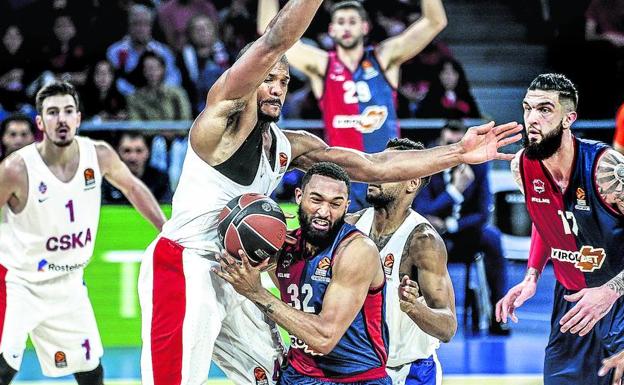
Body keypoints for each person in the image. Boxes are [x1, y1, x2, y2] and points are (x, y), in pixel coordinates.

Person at [137, 0, 522, 383]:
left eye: (285, 82)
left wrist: (458, 152)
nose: (276, 89)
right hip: (185, 265)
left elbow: (374, 166)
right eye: (268, 78)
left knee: (275, 375)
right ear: (248, 77)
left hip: (240, 273)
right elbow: (273, 40)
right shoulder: (219, 125)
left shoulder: (291, 145)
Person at [0, 81, 166, 384]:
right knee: (5, 366)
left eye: (67, 111)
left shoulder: (98, 154)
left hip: (70, 283)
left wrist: (166, 229)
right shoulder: (15, 169)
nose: (61, 119)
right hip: (22, 284)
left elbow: (132, 186)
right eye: (52, 113)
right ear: (40, 123)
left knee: (91, 370)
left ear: (78, 118)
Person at [495, 73, 624, 385]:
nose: (531, 119)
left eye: (544, 110)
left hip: (618, 300)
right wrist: (532, 276)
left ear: (569, 118)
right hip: (571, 303)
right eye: (527, 108)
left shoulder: (608, 171)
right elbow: (546, 220)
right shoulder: (523, 165)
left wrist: (609, 291)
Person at [258, 0, 448, 211]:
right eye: (340, 22)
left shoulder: (385, 57)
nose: (346, 27)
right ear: (331, 30)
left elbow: (435, 21)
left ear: (364, 27)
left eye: (352, 21)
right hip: (345, 177)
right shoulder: (322, 65)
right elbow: (271, 37)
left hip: (389, 173)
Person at [215, 162, 391, 384]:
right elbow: (295, 304)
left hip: (354, 378)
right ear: (299, 196)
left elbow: (324, 338)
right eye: (316, 200)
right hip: (297, 375)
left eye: (335, 204)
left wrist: (256, 292)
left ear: (346, 206)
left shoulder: (357, 250)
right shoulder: (283, 246)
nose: (324, 212)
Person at [350, 138, 457, 384]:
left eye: (388, 168)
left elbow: (448, 327)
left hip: (409, 372)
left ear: (412, 182)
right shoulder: (351, 225)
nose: (375, 172)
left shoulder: (423, 241)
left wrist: (414, 309)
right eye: (377, 163)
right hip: (359, 369)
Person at [414, 120, 509, 335]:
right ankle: (416, 312)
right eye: (450, 143)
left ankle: (498, 314)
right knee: (418, 237)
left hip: (463, 233)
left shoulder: (478, 166)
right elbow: (422, 209)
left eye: (459, 144)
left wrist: (450, 224)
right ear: (441, 140)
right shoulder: (427, 164)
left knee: (493, 237)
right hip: (430, 234)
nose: (455, 150)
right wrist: (455, 191)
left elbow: (483, 214)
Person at [102, 132, 171, 204]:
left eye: (139, 151)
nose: (133, 157)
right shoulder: (108, 180)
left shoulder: (161, 180)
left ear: (148, 152)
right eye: (127, 151)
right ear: (118, 152)